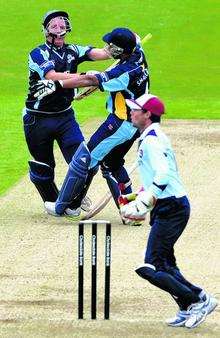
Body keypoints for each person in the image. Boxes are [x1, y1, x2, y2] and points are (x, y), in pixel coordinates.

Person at [119, 93, 218, 328]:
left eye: (135, 109)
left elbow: (163, 175)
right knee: (165, 263)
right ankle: (191, 303)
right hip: (169, 204)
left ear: (147, 114)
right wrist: (135, 195)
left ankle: (196, 301)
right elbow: (158, 175)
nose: (130, 112)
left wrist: (145, 202)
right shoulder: (151, 137)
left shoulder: (152, 141)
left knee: (151, 266)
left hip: (171, 206)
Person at [33, 27, 150, 223]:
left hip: (120, 123)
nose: (108, 48)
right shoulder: (138, 52)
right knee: (112, 164)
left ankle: (63, 206)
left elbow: (90, 79)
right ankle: (132, 213)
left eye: (112, 46)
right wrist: (96, 83)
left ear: (121, 51)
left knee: (84, 158)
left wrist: (56, 84)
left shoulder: (123, 73)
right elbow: (135, 36)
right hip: (137, 123)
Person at [23, 9, 111, 214]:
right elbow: (52, 76)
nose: (59, 28)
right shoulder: (38, 53)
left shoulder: (73, 50)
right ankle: (56, 203)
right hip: (37, 120)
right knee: (44, 169)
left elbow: (102, 53)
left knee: (85, 161)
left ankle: (73, 201)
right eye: (54, 25)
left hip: (65, 117)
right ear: (46, 30)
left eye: (62, 25)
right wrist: (86, 77)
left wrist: (126, 46)